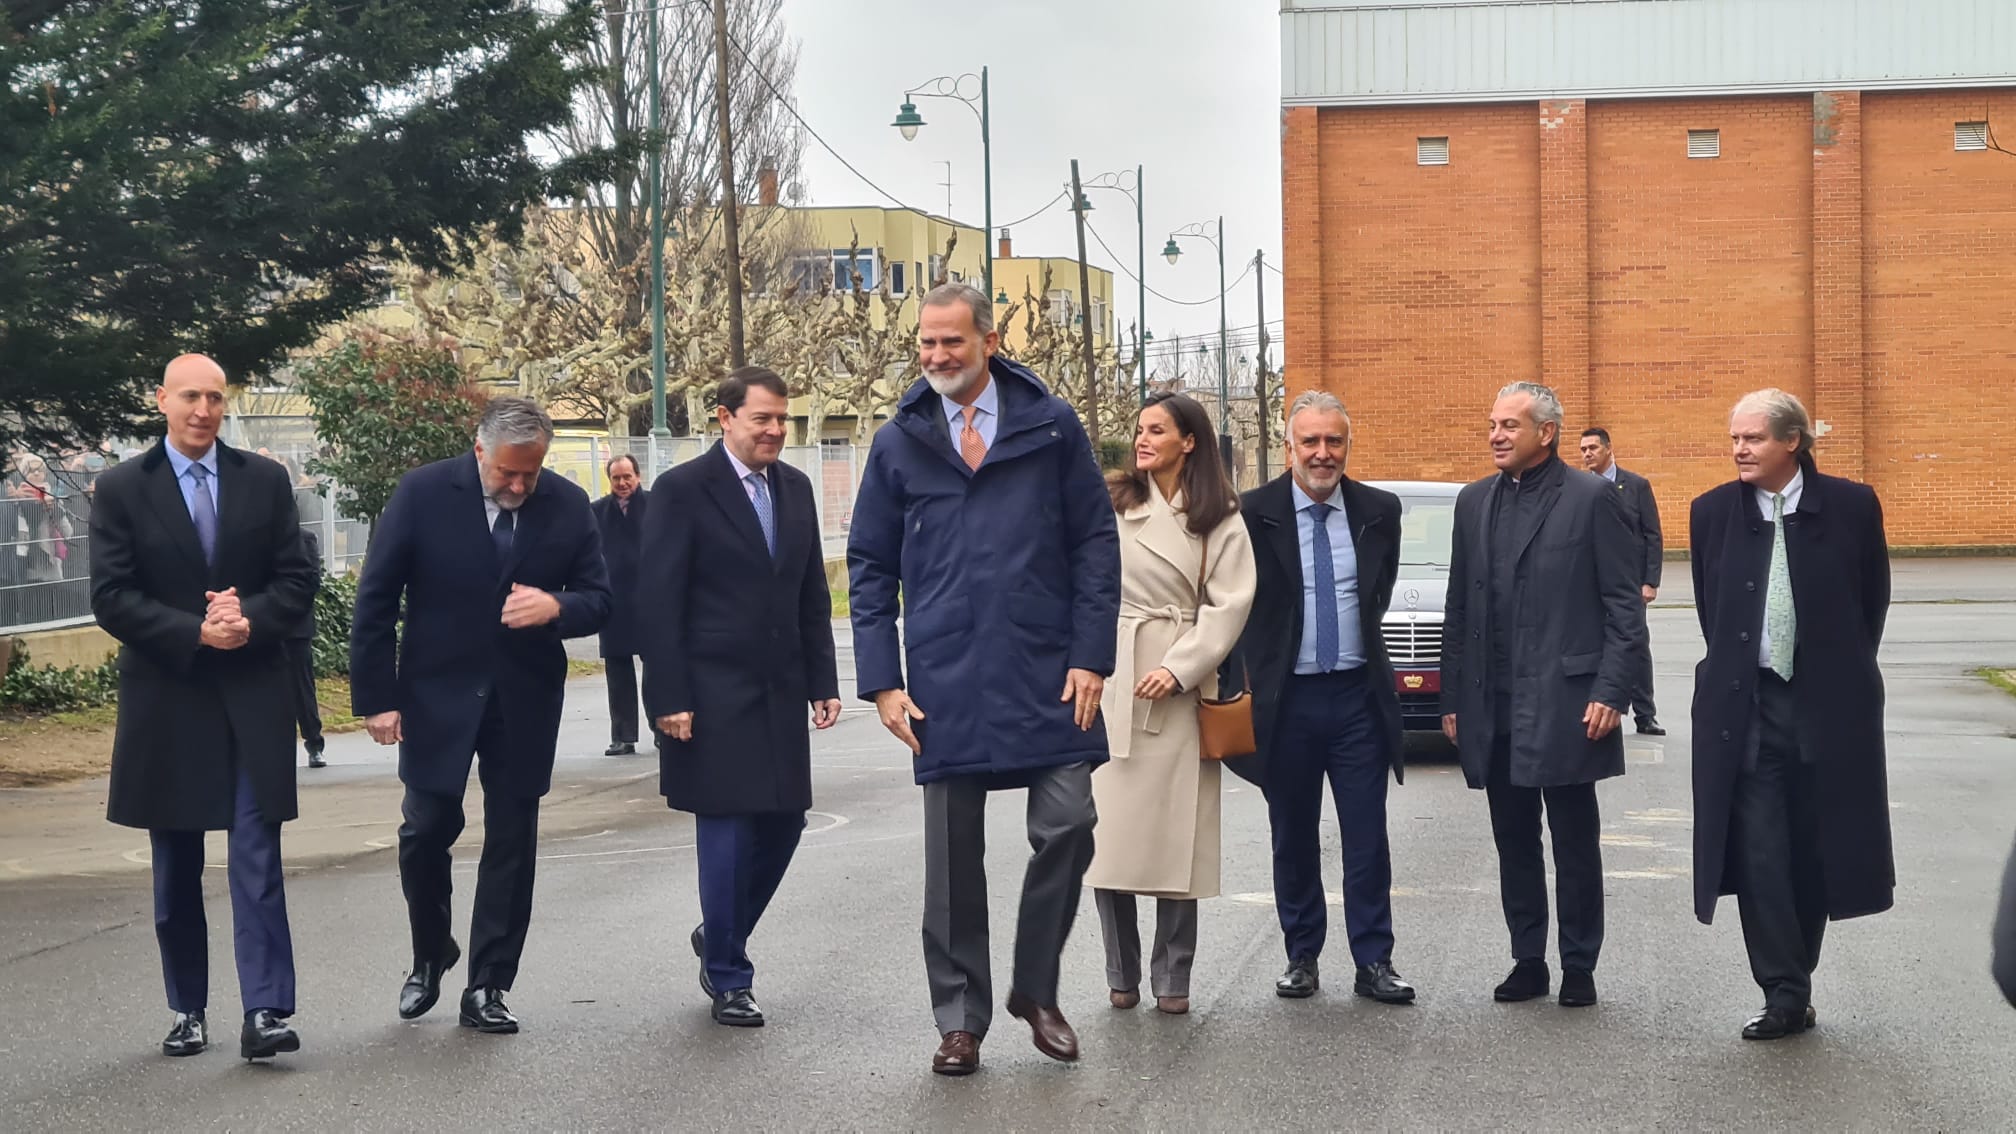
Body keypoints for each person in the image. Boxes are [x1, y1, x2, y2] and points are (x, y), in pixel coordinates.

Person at [848, 282, 1120, 1077]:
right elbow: (869, 566)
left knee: (1069, 823)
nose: (936, 357)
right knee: (951, 862)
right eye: (926, 344)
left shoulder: (1050, 424)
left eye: (951, 343)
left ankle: (1035, 991)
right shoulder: (900, 440)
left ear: (989, 341)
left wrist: (1090, 655)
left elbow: (1095, 546)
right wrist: (882, 682)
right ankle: (960, 1019)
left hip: (1049, 671)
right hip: (945, 678)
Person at [350, 396, 611, 1035]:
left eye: (531, 472)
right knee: (425, 828)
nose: (519, 484)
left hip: (524, 697)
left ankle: (489, 984)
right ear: (479, 451)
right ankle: (430, 951)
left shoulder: (569, 504)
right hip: (435, 694)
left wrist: (557, 606)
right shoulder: (422, 494)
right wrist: (377, 698)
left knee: (512, 841)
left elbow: (601, 599)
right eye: (507, 472)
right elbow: (376, 599)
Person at [89, 354, 319, 1060]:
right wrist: (195, 631)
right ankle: (188, 1006)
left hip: (252, 693)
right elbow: (112, 595)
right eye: (191, 396)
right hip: (169, 696)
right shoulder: (124, 486)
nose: (204, 410)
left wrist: (247, 618)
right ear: (161, 399)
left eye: (216, 398)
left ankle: (265, 1011)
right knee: (176, 864)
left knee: (256, 854)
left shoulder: (265, 479)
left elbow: (297, 576)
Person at [638, 368, 842, 1028]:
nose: (777, 430)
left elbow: (811, 592)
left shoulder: (796, 488)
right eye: (763, 419)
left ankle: (718, 933)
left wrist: (823, 681)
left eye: (783, 419)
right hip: (707, 694)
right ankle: (730, 975)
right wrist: (667, 696)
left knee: (785, 823)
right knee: (726, 831)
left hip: (780, 691)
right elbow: (659, 602)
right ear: (724, 419)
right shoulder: (681, 492)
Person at [1689, 388, 1893, 1040]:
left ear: (1792, 442)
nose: (1739, 450)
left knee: (1812, 846)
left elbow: (1871, 604)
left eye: (1752, 438)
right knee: (1759, 852)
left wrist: (1839, 675)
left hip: (1825, 706)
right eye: (1734, 438)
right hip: (1745, 709)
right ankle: (1782, 991)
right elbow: (1710, 610)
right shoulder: (1712, 512)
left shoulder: (1853, 507)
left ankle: (1796, 974)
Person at [1440, 381, 1645, 1009]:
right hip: (1493, 703)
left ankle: (1579, 964)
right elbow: (1458, 606)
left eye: (1510, 425)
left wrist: (1614, 690)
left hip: (1568, 700)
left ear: (1546, 433)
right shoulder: (1474, 502)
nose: (1496, 435)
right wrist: (1453, 698)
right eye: (1492, 424)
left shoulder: (1591, 500)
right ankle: (1527, 957)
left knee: (1574, 839)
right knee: (1514, 838)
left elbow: (1623, 605)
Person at [1232, 391, 1416, 1006]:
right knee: (1293, 833)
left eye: (1333, 441)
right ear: (1289, 448)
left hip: (1356, 700)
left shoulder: (1378, 511)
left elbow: (1377, 593)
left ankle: (1375, 960)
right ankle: (1302, 955)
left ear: (1347, 447)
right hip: (1286, 703)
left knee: (1367, 836)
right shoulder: (1252, 513)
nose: (1322, 453)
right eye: (1309, 441)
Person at [1086, 393, 1254, 1018]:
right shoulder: (1113, 503)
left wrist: (1179, 667)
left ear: (1190, 440)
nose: (1143, 439)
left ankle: (1173, 976)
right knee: (1111, 842)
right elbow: (1084, 584)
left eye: (1157, 430)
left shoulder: (1219, 515)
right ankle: (1120, 971)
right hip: (1113, 679)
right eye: (1138, 429)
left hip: (1181, 686)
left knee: (1177, 843)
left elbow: (1231, 605)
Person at [1579, 427, 1666, 735]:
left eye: (1592, 448)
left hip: (1629, 583)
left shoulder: (1636, 486)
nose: (1587, 454)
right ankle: (1593, 707)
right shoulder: (1578, 489)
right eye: (1583, 449)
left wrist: (1649, 581)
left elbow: (1652, 534)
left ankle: (1645, 714)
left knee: (1636, 644)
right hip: (1590, 584)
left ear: (1608, 449)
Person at [591, 453, 651, 756]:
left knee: (657, 669)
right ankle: (623, 736)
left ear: (638, 476)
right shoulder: (596, 512)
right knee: (618, 672)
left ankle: (662, 728)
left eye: (628, 476)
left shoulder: (657, 506)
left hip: (652, 600)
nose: (623, 483)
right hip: (613, 600)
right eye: (617, 478)